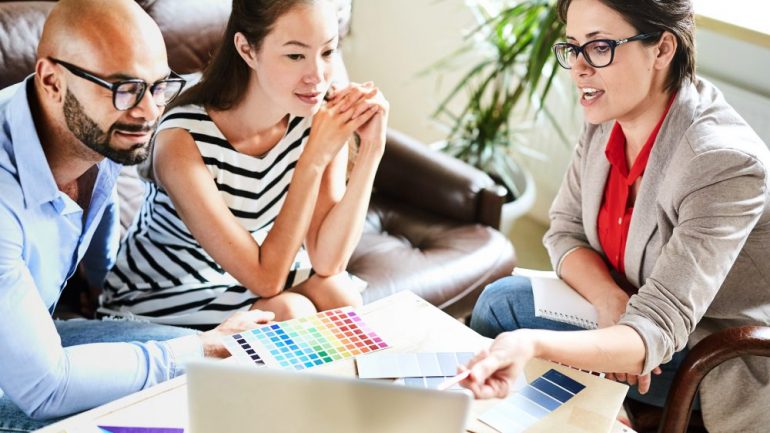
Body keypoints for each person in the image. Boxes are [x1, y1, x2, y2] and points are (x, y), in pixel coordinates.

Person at [464, 0, 770, 432]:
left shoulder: (721, 162)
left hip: (703, 345)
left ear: (663, 49)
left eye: (600, 46)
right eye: (573, 47)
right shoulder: (607, 115)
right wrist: (611, 301)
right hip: (631, 310)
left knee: (503, 309)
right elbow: (565, 232)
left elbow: (659, 325)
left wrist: (531, 342)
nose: (579, 69)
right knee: (503, 303)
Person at [0, 1, 275, 430]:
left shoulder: (99, 132)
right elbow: (45, 387)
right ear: (52, 81)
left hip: (37, 339)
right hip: (25, 381)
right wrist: (197, 350)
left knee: (222, 365)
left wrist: (99, 278)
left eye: (159, 86)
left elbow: (99, 207)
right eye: (125, 87)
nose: (150, 111)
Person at [98, 0, 389, 329]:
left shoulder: (316, 116)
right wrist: (313, 160)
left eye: (327, 52)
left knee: (340, 295)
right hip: (161, 290)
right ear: (247, 50)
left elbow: (328, 260)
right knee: (291, 314)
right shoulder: (182, 139)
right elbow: (267, 282)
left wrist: (372, 148)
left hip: (241, 275)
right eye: (295, 55)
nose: (317, 77)